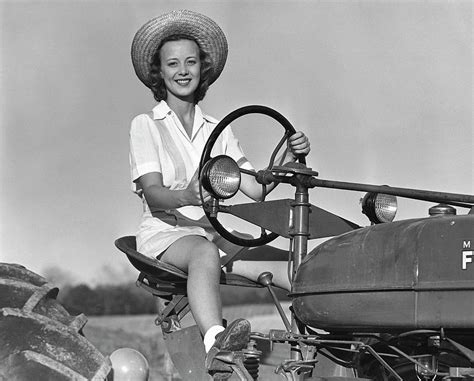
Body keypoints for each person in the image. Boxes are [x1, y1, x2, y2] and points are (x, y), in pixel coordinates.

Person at [129, 9, 311, 366]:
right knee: (203, 252)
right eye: (173, 64)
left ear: (203, 68)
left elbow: (255, 189)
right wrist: (188, 195)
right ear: (159, 72)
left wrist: (284, 158)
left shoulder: (219, 128)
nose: (183, 71)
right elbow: (153, 192)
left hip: (216, 233)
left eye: (191, 62)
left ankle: (324, 344)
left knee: (294, 267)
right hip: (168, 233)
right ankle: (218, 341)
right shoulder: (146, 125)